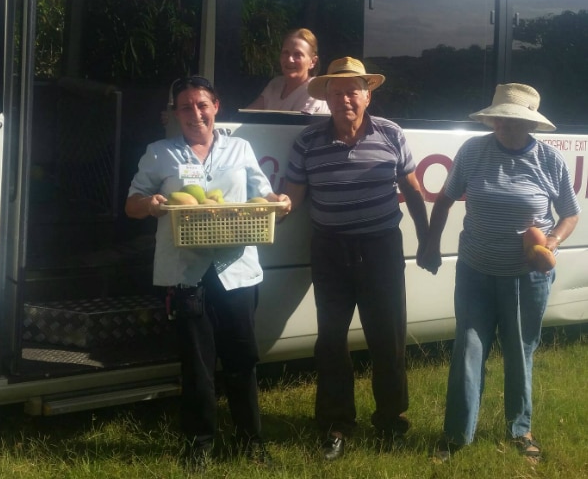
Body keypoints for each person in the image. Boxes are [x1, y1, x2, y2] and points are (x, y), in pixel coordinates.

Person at [126, 75, 291, 469]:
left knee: (242, 360)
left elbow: (261, 193)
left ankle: (251, 441)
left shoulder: (240, 148)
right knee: (197, 364)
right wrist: (151, 204)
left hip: (236, 270)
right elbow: (131, 204)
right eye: (185, 106)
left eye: (202, 104)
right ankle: (199, 445)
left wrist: (278, 201)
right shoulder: (159, 153)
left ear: (216, 106)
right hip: (185, 272)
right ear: (174, 113)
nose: (195, 113)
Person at [418, 83, 580, 462]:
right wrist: (430, 244)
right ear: (492, 118)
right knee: (468, 348)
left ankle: (520, 429)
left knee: (519, 352)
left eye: (515, 120)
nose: (505, 126)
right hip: (475, 270)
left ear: (531, 125)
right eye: (500, 119)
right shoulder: (473, 150)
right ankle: (457, 434)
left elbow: (570, 213)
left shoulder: (550, 160)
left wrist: (552, 241)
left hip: (527, 278)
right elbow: (443, 199)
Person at [283, 57, 430, 460]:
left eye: (353, 91)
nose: (345, 98)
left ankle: (391, 421)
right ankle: (336, 425)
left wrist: (427, 240)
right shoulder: (306, 143)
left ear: (367, 95)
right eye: (337, 92)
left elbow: (414, 191)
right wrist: (274, 205)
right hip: (329, 249)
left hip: (382, 247)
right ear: (326, 98)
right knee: (331, 341)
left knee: (388, 339)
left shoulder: (391, 134)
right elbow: (291, 196)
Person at [245, 28, 330, 114]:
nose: (290, 59)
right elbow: (247, 116)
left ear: (312, 62)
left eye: (297, 54)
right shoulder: (275, 84)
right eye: (286, 53)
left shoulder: (314, 91)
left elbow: (298, 126)